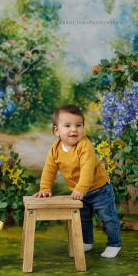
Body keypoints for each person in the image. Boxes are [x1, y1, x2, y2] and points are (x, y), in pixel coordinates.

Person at [33, 104, 122, 258]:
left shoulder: (84, 145)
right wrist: (45, 187)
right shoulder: (55, 149)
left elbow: (87, 169)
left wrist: (80, 188)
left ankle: (114, 243)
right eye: (67, 125)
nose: (74, 129)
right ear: (57, 130)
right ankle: (86, 242)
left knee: (107, 218)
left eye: (78, 125)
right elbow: (49, 169)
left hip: (99, 189)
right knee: (83, 219)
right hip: (80, 192)